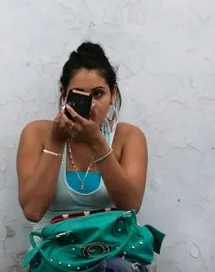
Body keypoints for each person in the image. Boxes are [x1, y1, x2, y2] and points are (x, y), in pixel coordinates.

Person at [17, 42, 150, 272]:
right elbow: (32, 211)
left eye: (98, 94)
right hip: (55, 253)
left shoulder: (128, 137)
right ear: (64, 94)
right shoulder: (37, 134)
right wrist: (56, 142)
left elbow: (131, 205)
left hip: (113, 249)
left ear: (113, 93)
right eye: (80, 95)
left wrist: (97, 142)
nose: (91, 105)